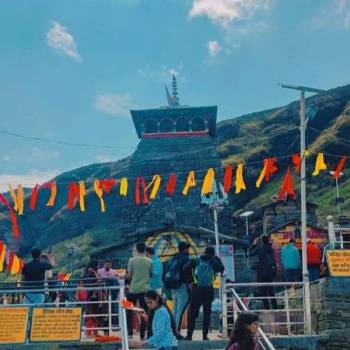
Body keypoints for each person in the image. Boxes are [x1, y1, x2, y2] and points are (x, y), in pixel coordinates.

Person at [184, 246, 225, 341]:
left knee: (193, 312)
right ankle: (205, 336)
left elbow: (185, 268)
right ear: (213, 253)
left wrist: (190, 281)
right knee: (207, 313)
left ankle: (189, 335)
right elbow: (222, 268)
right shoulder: (214, 261)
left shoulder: (196, 260)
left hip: (196, 289)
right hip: (208, 289)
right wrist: (217, 258)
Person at [126, 242, 152, 340]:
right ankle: (142, 335)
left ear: (136, 249)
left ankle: (129, 333)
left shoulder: (131, 260)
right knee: (144, 311)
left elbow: (129, 276)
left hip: (133, 289)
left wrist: (121, 277)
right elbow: (150, 274)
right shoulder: (149, 261)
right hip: (145, 289)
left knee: (128, 310)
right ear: (144, 249)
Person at [163, 241, 191, 331]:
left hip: (172, 285)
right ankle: (176, 330)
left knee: (175, 308)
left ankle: (172, 328)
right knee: (180, 308)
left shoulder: (173, 258)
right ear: (185, 249)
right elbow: (187, 272)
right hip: (181, 285)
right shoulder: (185, 258)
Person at [249, 235, 278, 310]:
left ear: (261, 241)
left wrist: (254, 244)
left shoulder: (260, 249)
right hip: (270, 273)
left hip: (262, 273)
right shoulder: (271, 248)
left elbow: (249, 253)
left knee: (263, 291)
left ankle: (267, 308)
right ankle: (275, 307)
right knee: (271, 291)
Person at [83, 259, 102, 338]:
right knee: (91, 314)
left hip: (93, 296)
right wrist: (97, 282)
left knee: (94, 314)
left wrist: (95, 273)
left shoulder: (90, 273)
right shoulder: (89, 274)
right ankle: (89, 332)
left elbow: (99, 279)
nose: (98, 266)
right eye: (97, 265)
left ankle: (93, 332)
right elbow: (90, 284)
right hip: (90, 296)